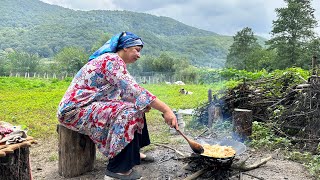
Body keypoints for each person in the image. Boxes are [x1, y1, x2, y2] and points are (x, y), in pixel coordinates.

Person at [57, 31, 178, 180]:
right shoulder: (111, 60)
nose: (139, 55)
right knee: (128, 111)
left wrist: (141, 103)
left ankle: (132, 154)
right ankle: (117, 171)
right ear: (125, 47)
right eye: (137, 50)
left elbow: (127, 94)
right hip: (74, 110)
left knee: (136, 105)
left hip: (89, 105)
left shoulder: (115, 62)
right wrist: (166, 110)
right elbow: (134, 90)